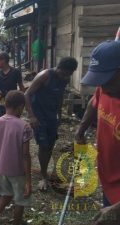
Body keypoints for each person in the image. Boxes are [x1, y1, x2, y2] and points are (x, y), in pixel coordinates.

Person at [74, 40, 120, 224]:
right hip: (108, 182)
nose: (101, 85)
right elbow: (95, 101)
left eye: (105, 79)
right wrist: (80, 130)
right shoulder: (108, 88)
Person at [24, 56, 78, 191]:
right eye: (63, 73)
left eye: (68, 75)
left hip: (52, 116)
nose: (65, 76)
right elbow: (26, 94)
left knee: (51, 145)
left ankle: (44, 170)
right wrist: (31, 116)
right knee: (43, 145)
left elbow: (59, 95)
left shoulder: (65, 78)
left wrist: (59, 114)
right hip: (39, 116)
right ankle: (43, 176)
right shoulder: (45, 76)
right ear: (58, 68)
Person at [0, 90, 33, 225]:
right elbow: (25, 155)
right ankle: (16, 222)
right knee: (20, 201)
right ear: (20, 107)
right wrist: (28, 181)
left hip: (0, 169)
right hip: (17, 171)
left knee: (6, 195)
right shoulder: (24, 126)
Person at [0, 52, 25, 120]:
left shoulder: (15, 72)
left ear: (4, 60)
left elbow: (21, 88)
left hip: (12, 105)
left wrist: (22, 103)